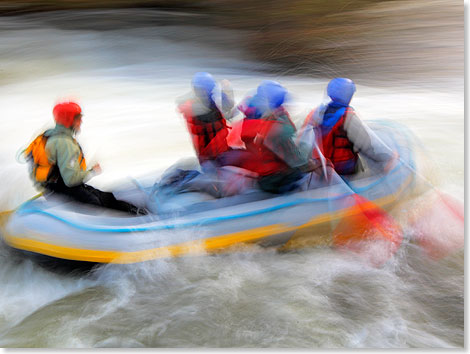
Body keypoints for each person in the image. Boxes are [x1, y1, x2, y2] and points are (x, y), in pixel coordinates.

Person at [24, 101, 147, 215]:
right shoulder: (64, 143)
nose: (81, 122)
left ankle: (140, 214)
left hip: (52, 189)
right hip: (64, 191)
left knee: (107, 197)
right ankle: (140, 218)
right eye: (78, 119)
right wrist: (92, 171)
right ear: (68, 120)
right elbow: (71, 180)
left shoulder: (49, 135)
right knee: (99, 204)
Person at [235, 80, 321, 193]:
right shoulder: (276, 128)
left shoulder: (254, 118)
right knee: (305, 151)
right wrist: (314, 165)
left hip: (262, 171)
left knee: (302, 146)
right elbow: (296, 161)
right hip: (275, 180)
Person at [299, 78, 397, 176]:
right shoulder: (348, 117)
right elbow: (365, 146)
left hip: (321, 165)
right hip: (343, 168)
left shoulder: (318, 112)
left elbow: (304, 140)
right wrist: (385, 159)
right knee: (364, 157)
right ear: (349, 96)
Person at [177, 72, 235, 172]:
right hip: (212, 159)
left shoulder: (207, 104)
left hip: (221, 152)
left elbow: (228, 109)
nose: (211, 93)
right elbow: (223, 114)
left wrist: (227, 93)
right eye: (209, 90)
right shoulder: (196, 110)